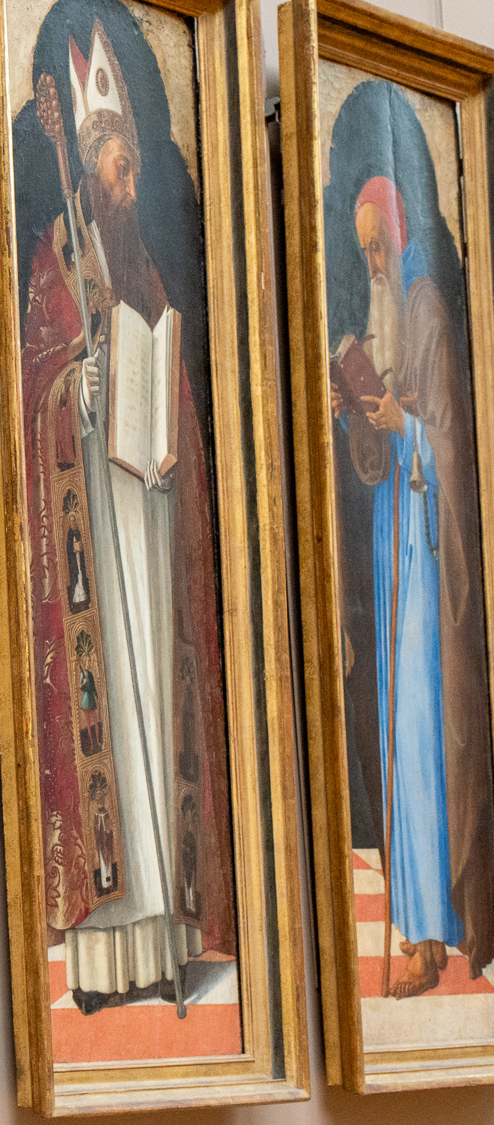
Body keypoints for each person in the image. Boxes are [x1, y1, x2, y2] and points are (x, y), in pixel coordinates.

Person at [18, 20, 231, 1014]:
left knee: (159, 715)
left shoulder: (143, 268)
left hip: (151, 524)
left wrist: (161, 412)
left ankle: (172, 934)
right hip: (94, 544)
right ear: (88, 164)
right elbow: (34, 387)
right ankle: (110, 956)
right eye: (114, 165)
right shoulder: (56, 260)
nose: (126, 179)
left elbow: (176, 392)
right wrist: (77, 385)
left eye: (132, 164)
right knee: (112, 730)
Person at [332, 174, 494, 996]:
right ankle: (417, 934)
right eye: (363, 250)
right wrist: (355, 411)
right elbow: (376, 457)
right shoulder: (383, 319)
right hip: (392, 540)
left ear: (400, 237)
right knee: (398, 734)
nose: (373, 262)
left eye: (379, 245)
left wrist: (410, 430)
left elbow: (454, 441)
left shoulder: (427, 310)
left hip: (430, 552)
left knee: (422, 734)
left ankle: (435, 932)